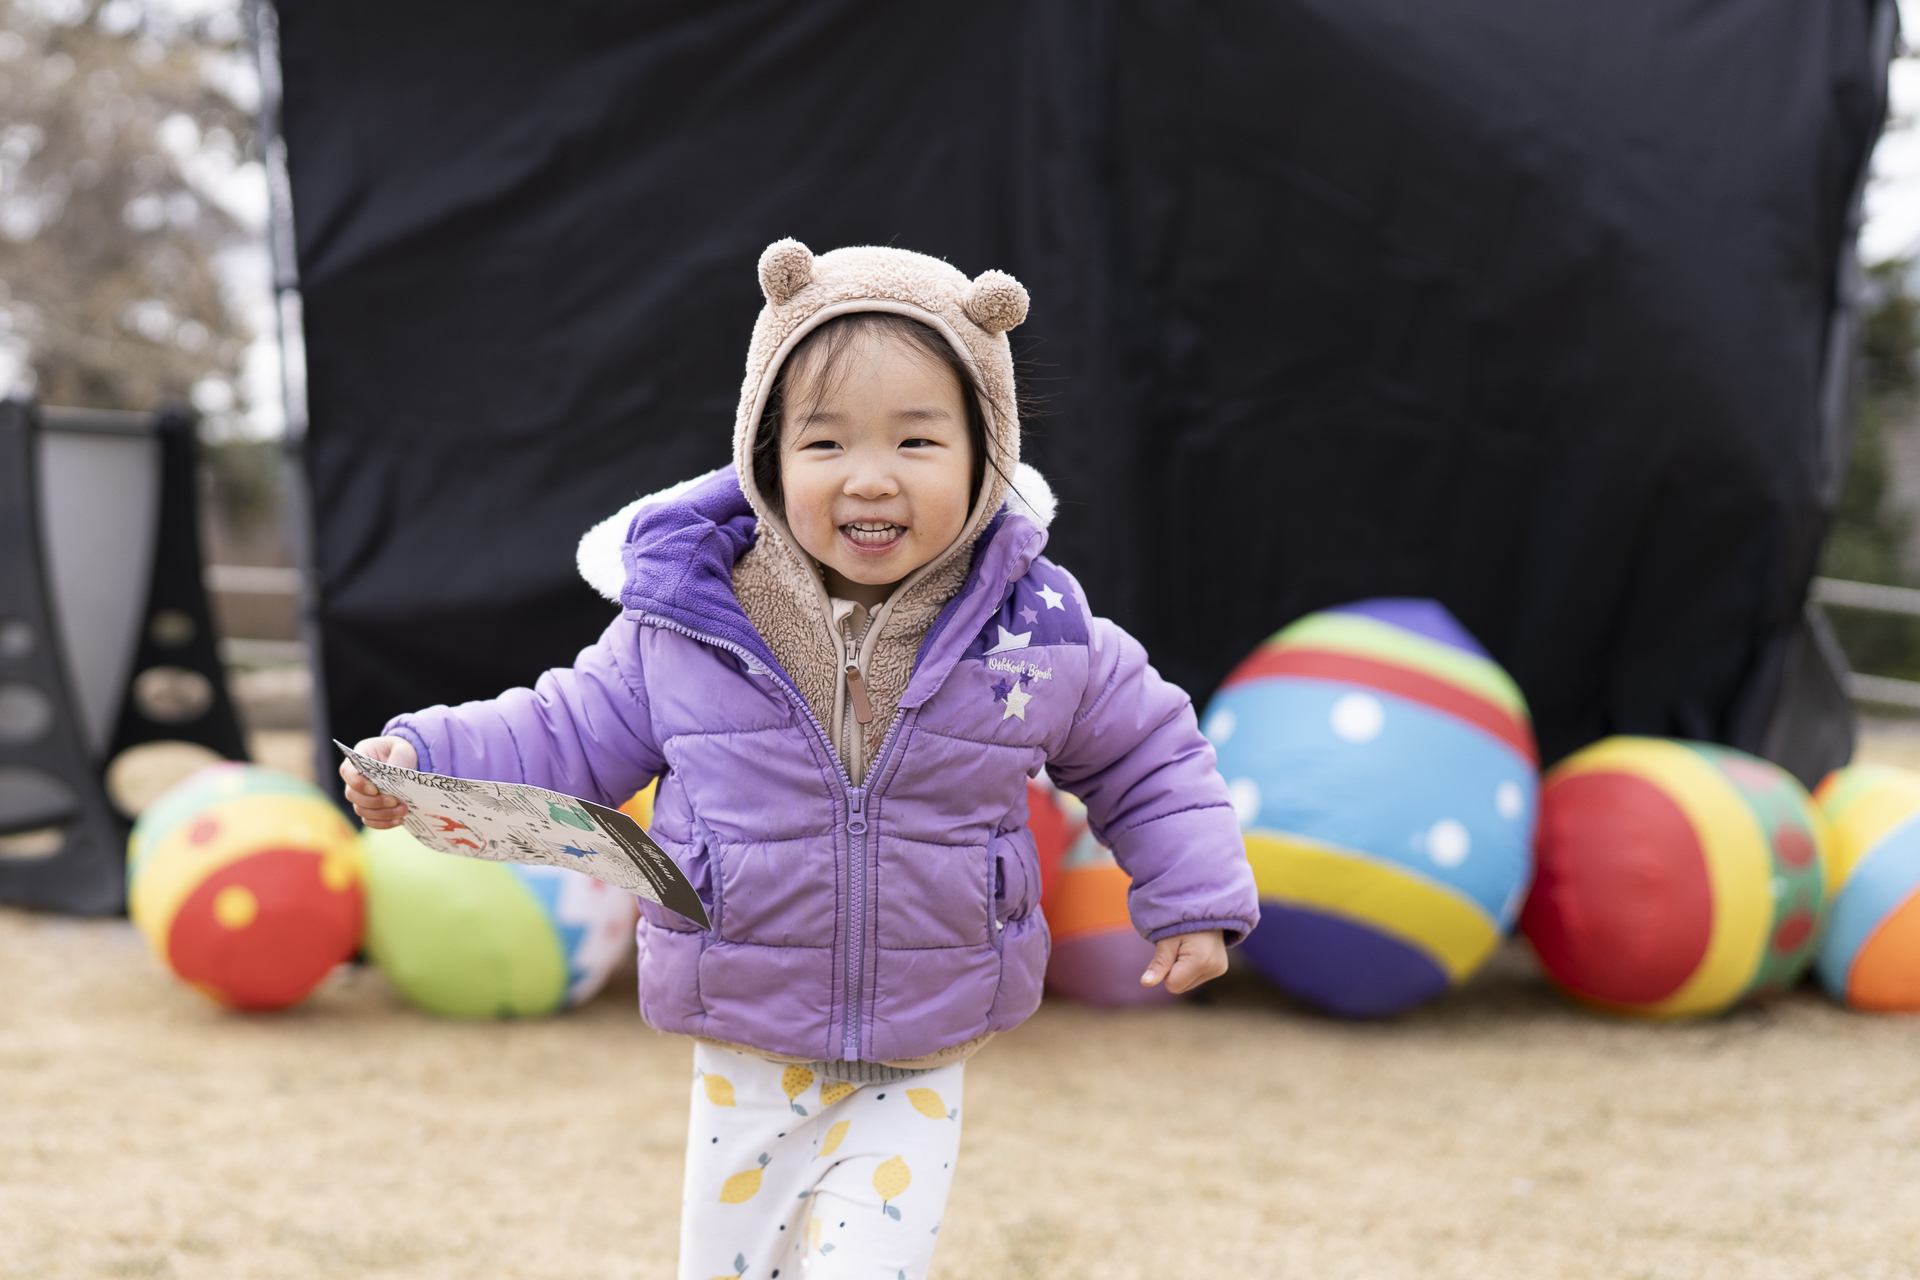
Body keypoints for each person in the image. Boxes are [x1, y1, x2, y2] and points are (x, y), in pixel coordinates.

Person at [340, 239, 1260, 1278]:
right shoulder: (688, 623)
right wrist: (422, 756)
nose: (871, 477)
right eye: (826, 443)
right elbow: (561, 728)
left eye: (918, 440)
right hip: (745, 1037)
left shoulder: (1037, 629)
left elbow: (1149, 748)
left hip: (920, 1047)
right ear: (766, 454)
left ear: (987, 453)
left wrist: (1193, 895)